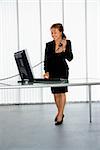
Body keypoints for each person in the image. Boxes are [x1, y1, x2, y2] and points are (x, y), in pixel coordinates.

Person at [44, 23, 73, 125]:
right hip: (52, 72)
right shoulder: (49, 45)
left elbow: (70, 58)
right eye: (52, 32)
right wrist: (46, 71)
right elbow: (46, 60)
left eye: (55, 32)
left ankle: (60, 114)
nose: (53, 34)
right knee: (55, 93)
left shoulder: (67, 42)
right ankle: (59, 111)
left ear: (61, 32)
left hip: (62, 71)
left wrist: (64, 49)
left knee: (62, 92)